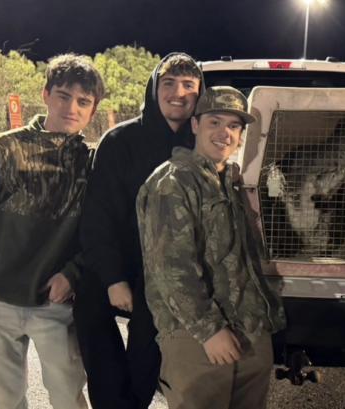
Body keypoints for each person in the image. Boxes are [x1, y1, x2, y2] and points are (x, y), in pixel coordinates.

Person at [137, 86, 286, 409]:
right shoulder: (172, 183)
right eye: (215, 122)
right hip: (197, 336)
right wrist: (209, 330)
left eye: (234, 126)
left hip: (248, 328)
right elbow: (171, 269)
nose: (225, 133)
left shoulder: (227, 181)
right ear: (195, 125)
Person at [0, 54, 104, 409]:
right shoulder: (4, 147)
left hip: (54, 303)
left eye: (83, 101)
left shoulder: (92, 162)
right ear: (45, 94)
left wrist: (73, 275)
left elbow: (100, 231)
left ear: (92, 110)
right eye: (63, 95)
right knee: (7, 400)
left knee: (68, 398)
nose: (71, 107)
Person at [75, 53, 204, 409]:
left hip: (167, 272)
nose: (178, 93)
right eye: (168, 83)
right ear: (154, 88)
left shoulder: (202, 145)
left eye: (188, 86)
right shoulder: (119, 141)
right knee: (89, 305)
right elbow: (98, 217)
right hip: (119, 259)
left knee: (145, 356)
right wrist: (114, 278)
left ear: (198, 93)